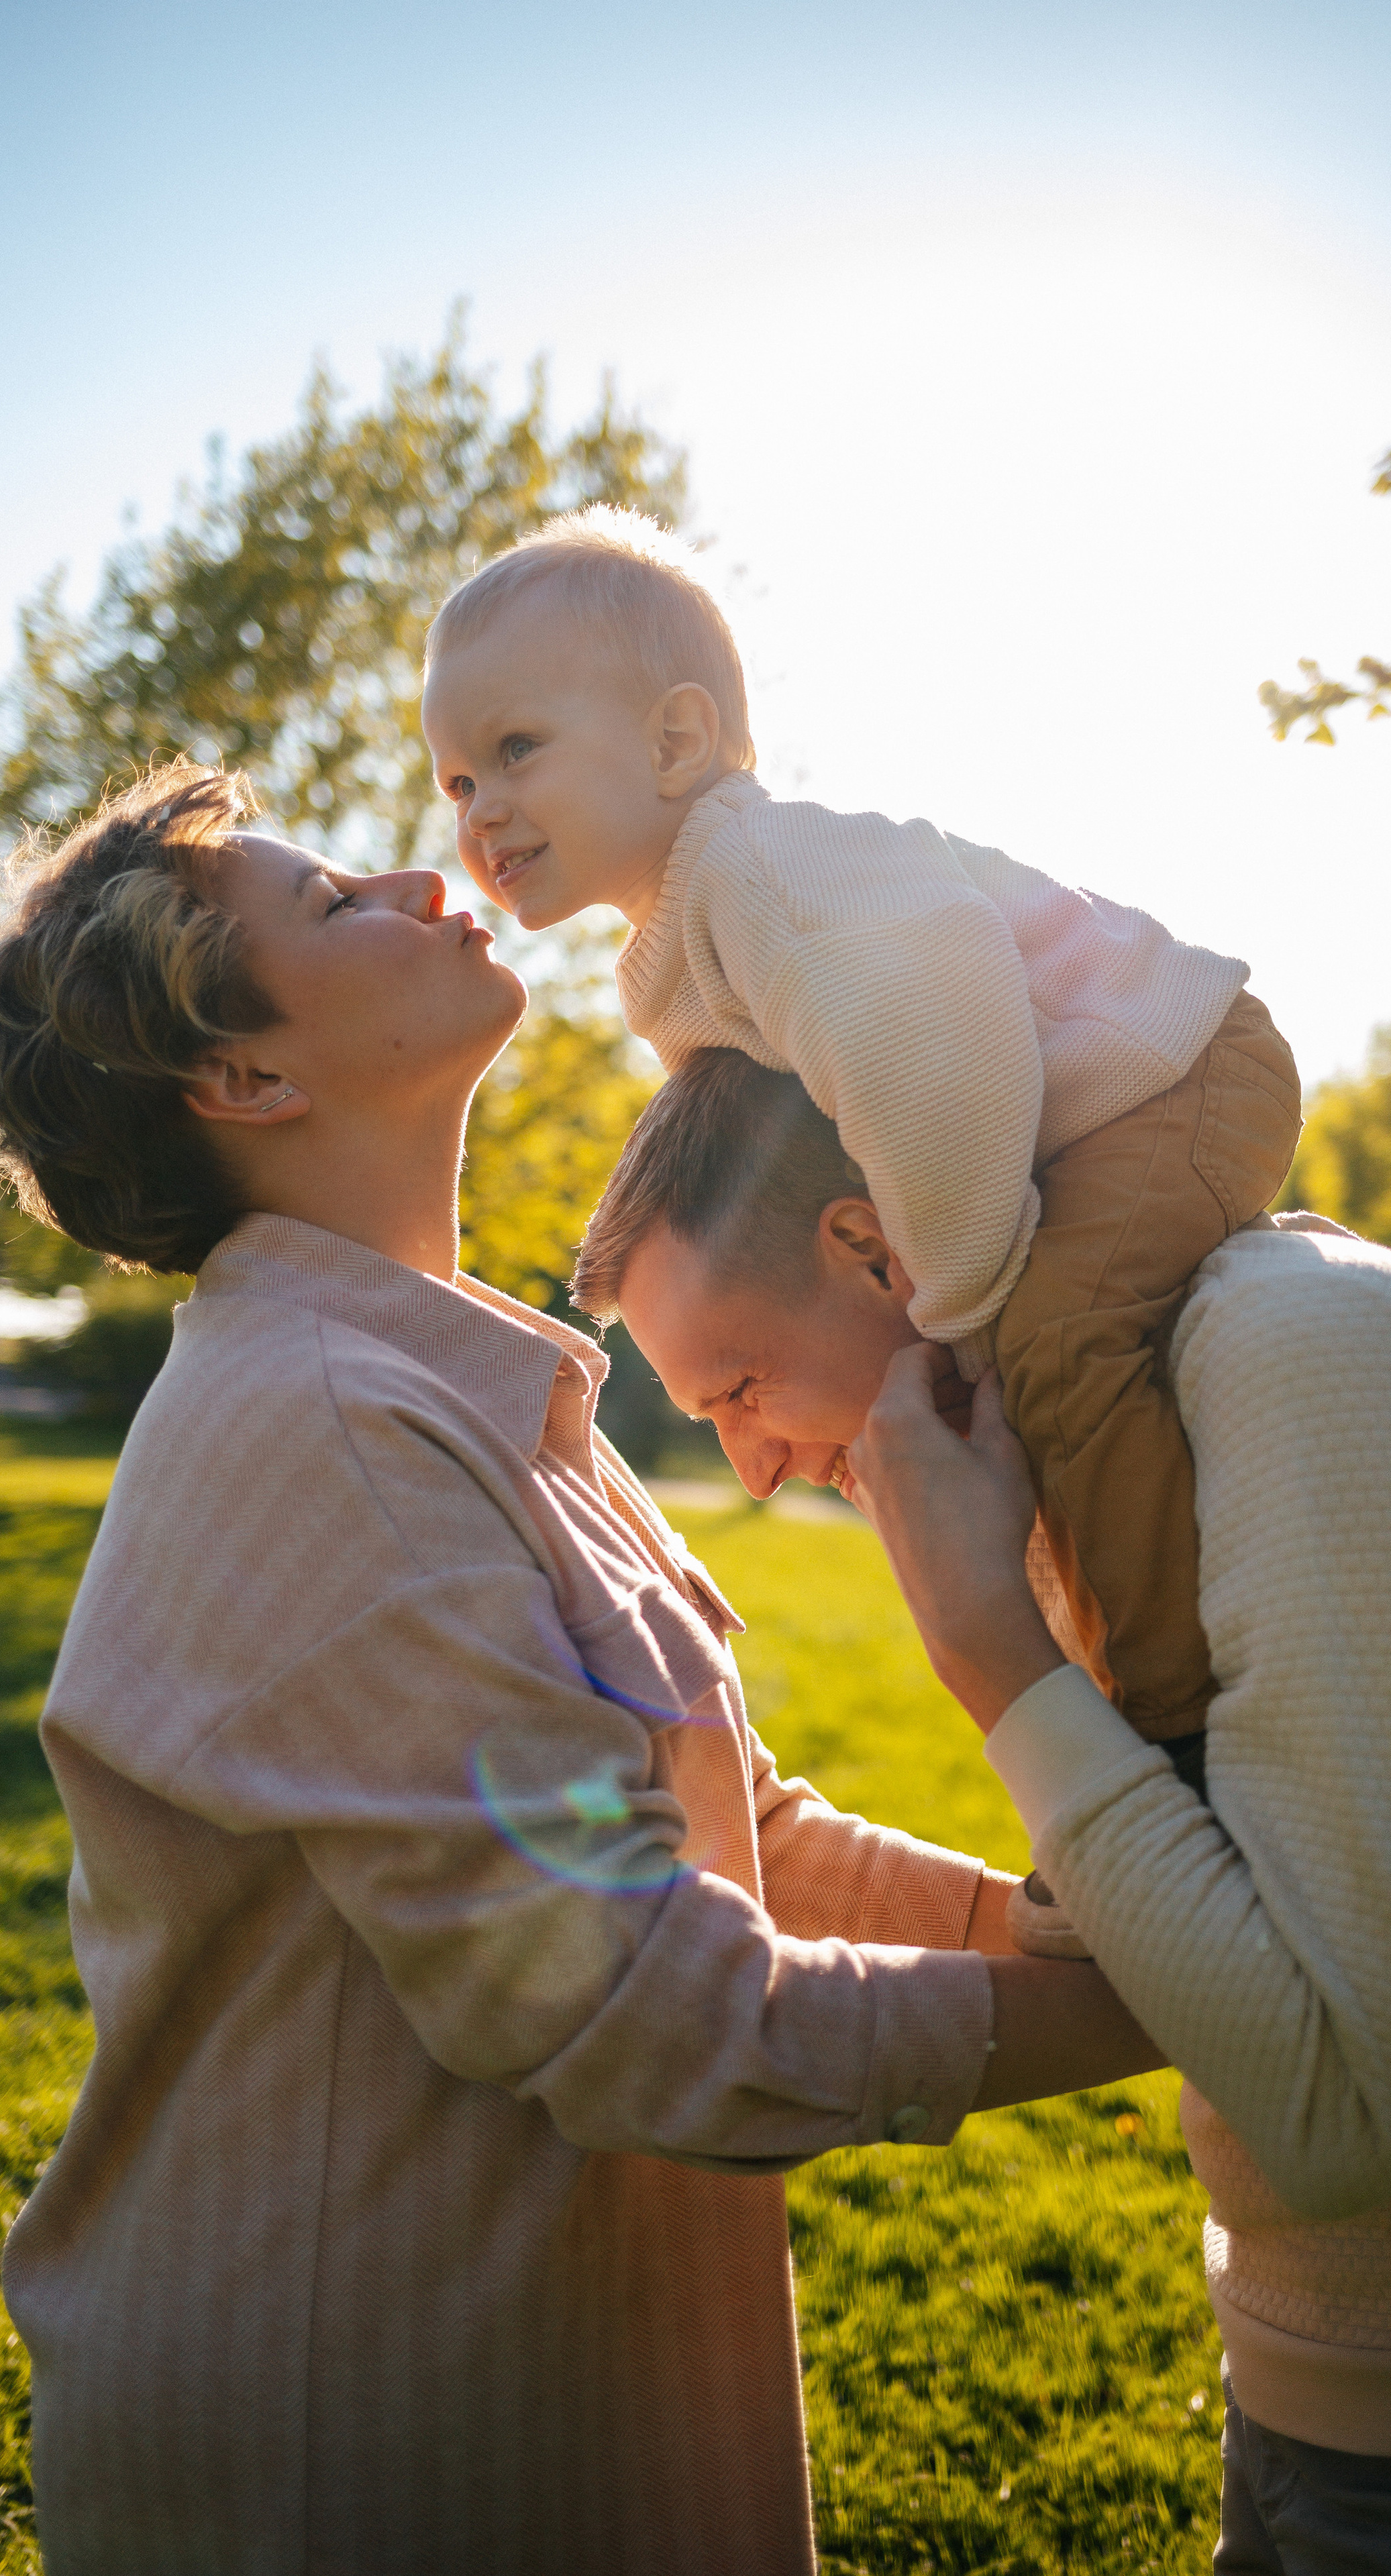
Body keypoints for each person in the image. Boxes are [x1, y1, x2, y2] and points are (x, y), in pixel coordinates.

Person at [0, 763, 1169, 2576]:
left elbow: (721, 1834)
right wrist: (1200, 2000)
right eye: (335, 899)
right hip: (360, 2460)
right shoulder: (330, 1430)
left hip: (571, 2406)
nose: (424, 875)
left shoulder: (468, 1386)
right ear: (249, 1080)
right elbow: (652, 2018)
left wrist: (1111, 1927)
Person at [587, 1044, 1391, 2573]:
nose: (755, 1469)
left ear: (870, 1247)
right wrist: (1143, 1912)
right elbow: (1191, 1943)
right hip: (1313, 2401)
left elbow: (1326, 2105)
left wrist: (994, 1657)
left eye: (741, 1389)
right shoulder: (1077, 1448)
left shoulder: (1293, 1352)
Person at [419, 505, 1302, 1812]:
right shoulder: (676, 944)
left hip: (1164, 1069)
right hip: (1072, 1120)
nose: (480, 810)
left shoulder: (760, 873)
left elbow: (930, 1033)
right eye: (454, 782)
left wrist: (953, 1312)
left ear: (675, 739)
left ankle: (1195, 1748)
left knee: (1052, 1358)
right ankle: (1126, 1710)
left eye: (514, 751)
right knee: (1028, 1425)